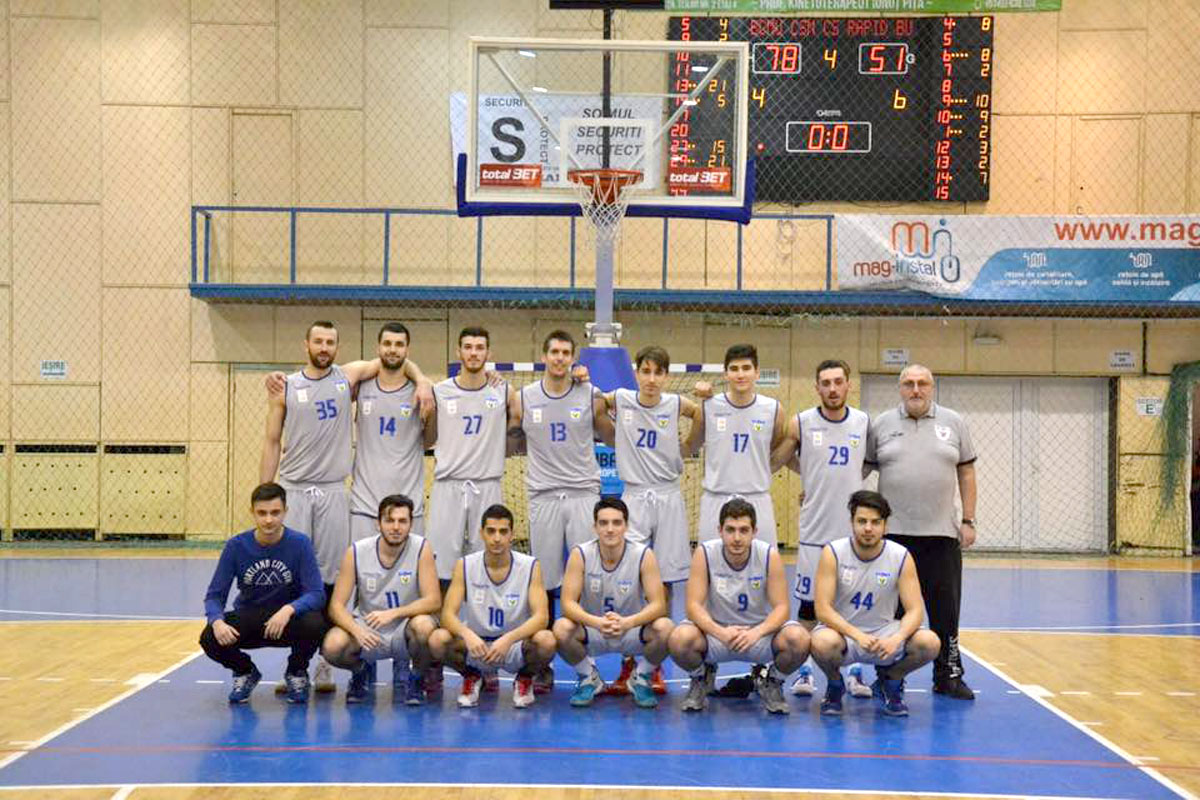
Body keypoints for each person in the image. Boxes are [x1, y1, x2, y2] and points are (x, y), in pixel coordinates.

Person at [261, 319, 430, 693]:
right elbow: (271, 441)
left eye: (330, 342)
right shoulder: (286, 386)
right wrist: (266, 492)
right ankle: (296, 667)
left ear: (337, 347)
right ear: (305, 344)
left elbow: (398, 360)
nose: (324, 347)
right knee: (294, 580)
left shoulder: (348, 376)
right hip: (295, 489)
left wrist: (421, 381)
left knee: (331, 581)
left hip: (335, 492)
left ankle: (325, 661)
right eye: (318, 341)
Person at [864, 363, 978, 700]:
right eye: (909, 384)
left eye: (922, 383)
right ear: (900, 388)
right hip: (893, 539)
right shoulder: (882, 424)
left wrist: (968, 520)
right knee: (894, 615)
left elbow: (967, 473)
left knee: (946, 612)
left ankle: (949, 675)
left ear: (932, 387)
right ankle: (889, 677)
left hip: (941, 535)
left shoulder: (954, 422)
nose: (916, 390)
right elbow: (858, 470)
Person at [770, 359, 874, 698]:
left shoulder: (862, 422)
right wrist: (812, 475)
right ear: (816, 387)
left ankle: (854, 672)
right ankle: (804, 672)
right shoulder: (801, 422)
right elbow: (779, 458)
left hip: (851, 535)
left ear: (848, 385)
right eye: (825, 383)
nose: (832, 388)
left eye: (838, 382)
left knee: (850, 607)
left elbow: (869, 462)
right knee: (808, 608)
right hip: (815, 532)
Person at [666, 498, 809, 715]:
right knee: (679, 638)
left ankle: (772, 681)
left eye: (744, 530)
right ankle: (701, 677)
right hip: (716, 634)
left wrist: (756, 633)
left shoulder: (768, 555)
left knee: (799, 639)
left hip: (757, 635)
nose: (737, 538)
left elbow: (782, 608)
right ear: (720, 531)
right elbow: (693, 606)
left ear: (754, 532)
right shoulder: (705, 553)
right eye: (730, 530)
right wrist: (720, 632)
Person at [811, 490, 941, 717]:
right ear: (852, 522)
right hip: (844, 634)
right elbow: (822, 609)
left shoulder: (900, 556)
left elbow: (915, 610)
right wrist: (857, 635)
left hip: (884, 633)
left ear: (885, 526)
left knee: (929, 643)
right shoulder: (833, 552)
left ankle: (891, 680)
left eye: (875, 522)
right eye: (862, 521)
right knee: (820, 642)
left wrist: (897, 638)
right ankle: (834, 684)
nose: (868, 528)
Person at [199, 483, 327, 704]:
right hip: (251, 618)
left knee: (316, 623)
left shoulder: (300, 543)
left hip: (288, 621)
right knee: (209, 637)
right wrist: (217, 621)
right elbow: (214, 595)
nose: (268, 520)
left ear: (285, 512)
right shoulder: (236, 546)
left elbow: (316, 593)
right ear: (252, 513)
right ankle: (245, 671)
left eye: (275, 513)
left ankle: (296, 671)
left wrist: (288, 609)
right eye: (262, 513)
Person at [428, 504, 557, 709]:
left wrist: (508, 639)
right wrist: (467, 635)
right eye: (491, 531)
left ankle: (524, 678)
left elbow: (541, 617)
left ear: (512, 535)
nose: (497, 538)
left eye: (503, 532)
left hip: (513, 646)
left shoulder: (530, 566)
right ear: (482, 533)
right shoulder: (465, 565)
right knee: (437, 639)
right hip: (477, 645)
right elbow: (447, 615)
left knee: (547, 640)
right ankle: (472, 676)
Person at [552, 497, 675, 709]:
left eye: (617, 523)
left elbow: (658, 605)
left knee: (666, 628)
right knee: (561, 628)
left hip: (631, 629)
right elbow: (567, 604)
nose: (610, 529)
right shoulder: (580, 554)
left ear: (626, 526)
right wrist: (597, 622)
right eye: (604, 523)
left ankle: (641, 677)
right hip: (594, 629)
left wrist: (628, 622)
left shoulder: (643, 554)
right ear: (595, 527)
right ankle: (589, 677)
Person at [321, 494, 440, 705]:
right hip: (368, 628)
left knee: (424, 626)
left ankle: (416, 679)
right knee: (332, 646)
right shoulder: (356, 551)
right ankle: (359, 672)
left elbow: (433, 600)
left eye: (402, 521)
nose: (396, 527)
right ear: (378, 523)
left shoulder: (422, 548)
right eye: (389, 520)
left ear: (411, 524)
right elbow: (336, 607)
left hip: (404, 628)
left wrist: (394, 613)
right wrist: (357, 630)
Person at [426, 327, 517, 584]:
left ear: (489, 353)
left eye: (479, 348)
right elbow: (428, 436)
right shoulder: (439, 391)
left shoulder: (504, 392)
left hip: (487, 484)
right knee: (441, 567)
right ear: (458, 352)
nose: (473, 353)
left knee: (487, 563)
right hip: (448, 485)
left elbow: (517, 427)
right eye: (468, 347)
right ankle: (442, 609)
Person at [689, 344, 786, 546]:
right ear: (725, 374)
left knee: (765, 560)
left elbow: (777, 451)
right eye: (734, 369)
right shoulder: (708, 406)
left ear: (757, 372)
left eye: (746, 368)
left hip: (757, 497)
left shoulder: (774, 409)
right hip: (716, 498)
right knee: (709, 561)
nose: (740, 374)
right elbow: (690, 445)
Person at [349, 323, 427, 543]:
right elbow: (331, 377)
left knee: (412, 565)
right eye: (387, 344)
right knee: (360, 563)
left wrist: (422, 381)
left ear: (408, 350)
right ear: (378, 348)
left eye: (399, 345)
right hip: (365, 505)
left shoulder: (422, 392)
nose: (392, 349)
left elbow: (430, 441)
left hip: (408, 508)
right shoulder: (361, 386)